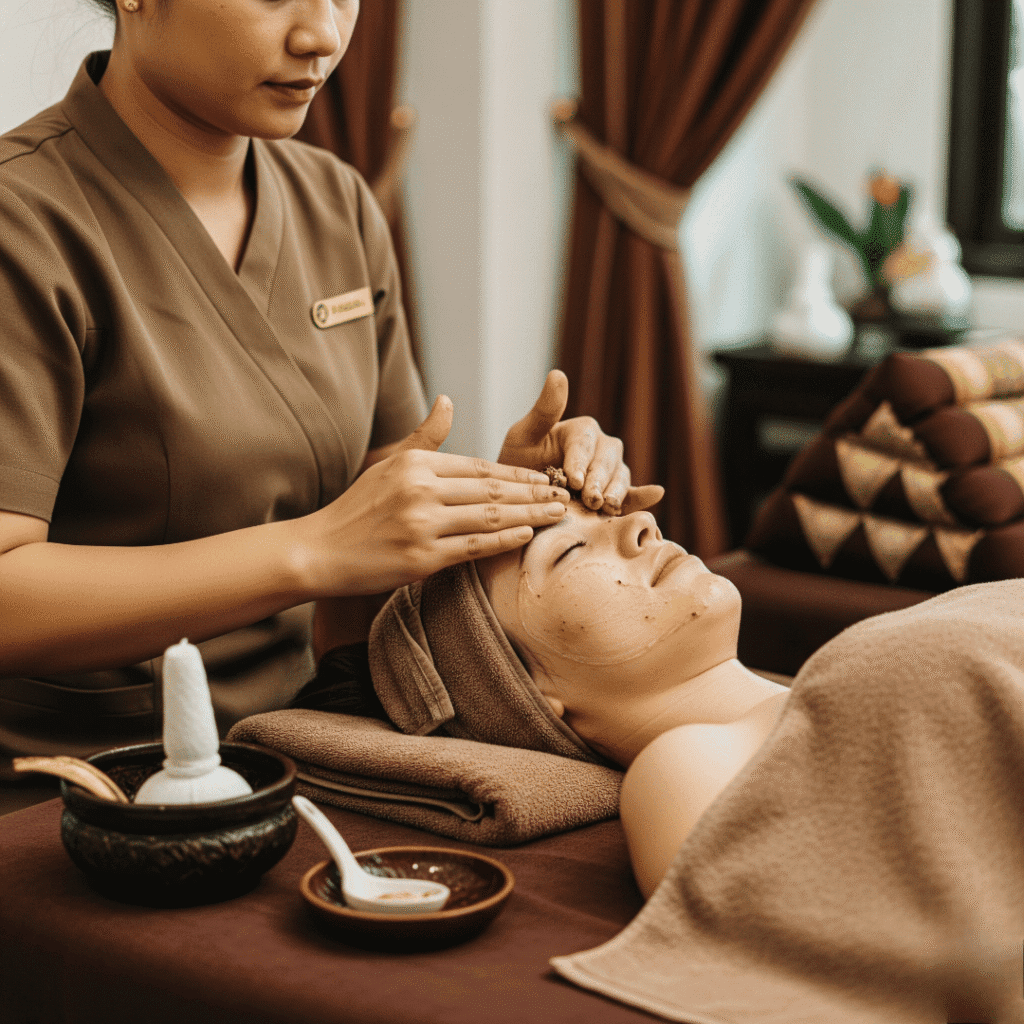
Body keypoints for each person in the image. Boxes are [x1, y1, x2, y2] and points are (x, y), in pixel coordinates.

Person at [0, 0, 659, 775]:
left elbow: (373, 521)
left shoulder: (337, 203)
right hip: (77, 782)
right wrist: (312, 551)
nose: (323, 35)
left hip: (292, 750)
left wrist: (502, 500)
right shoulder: (23, 220)